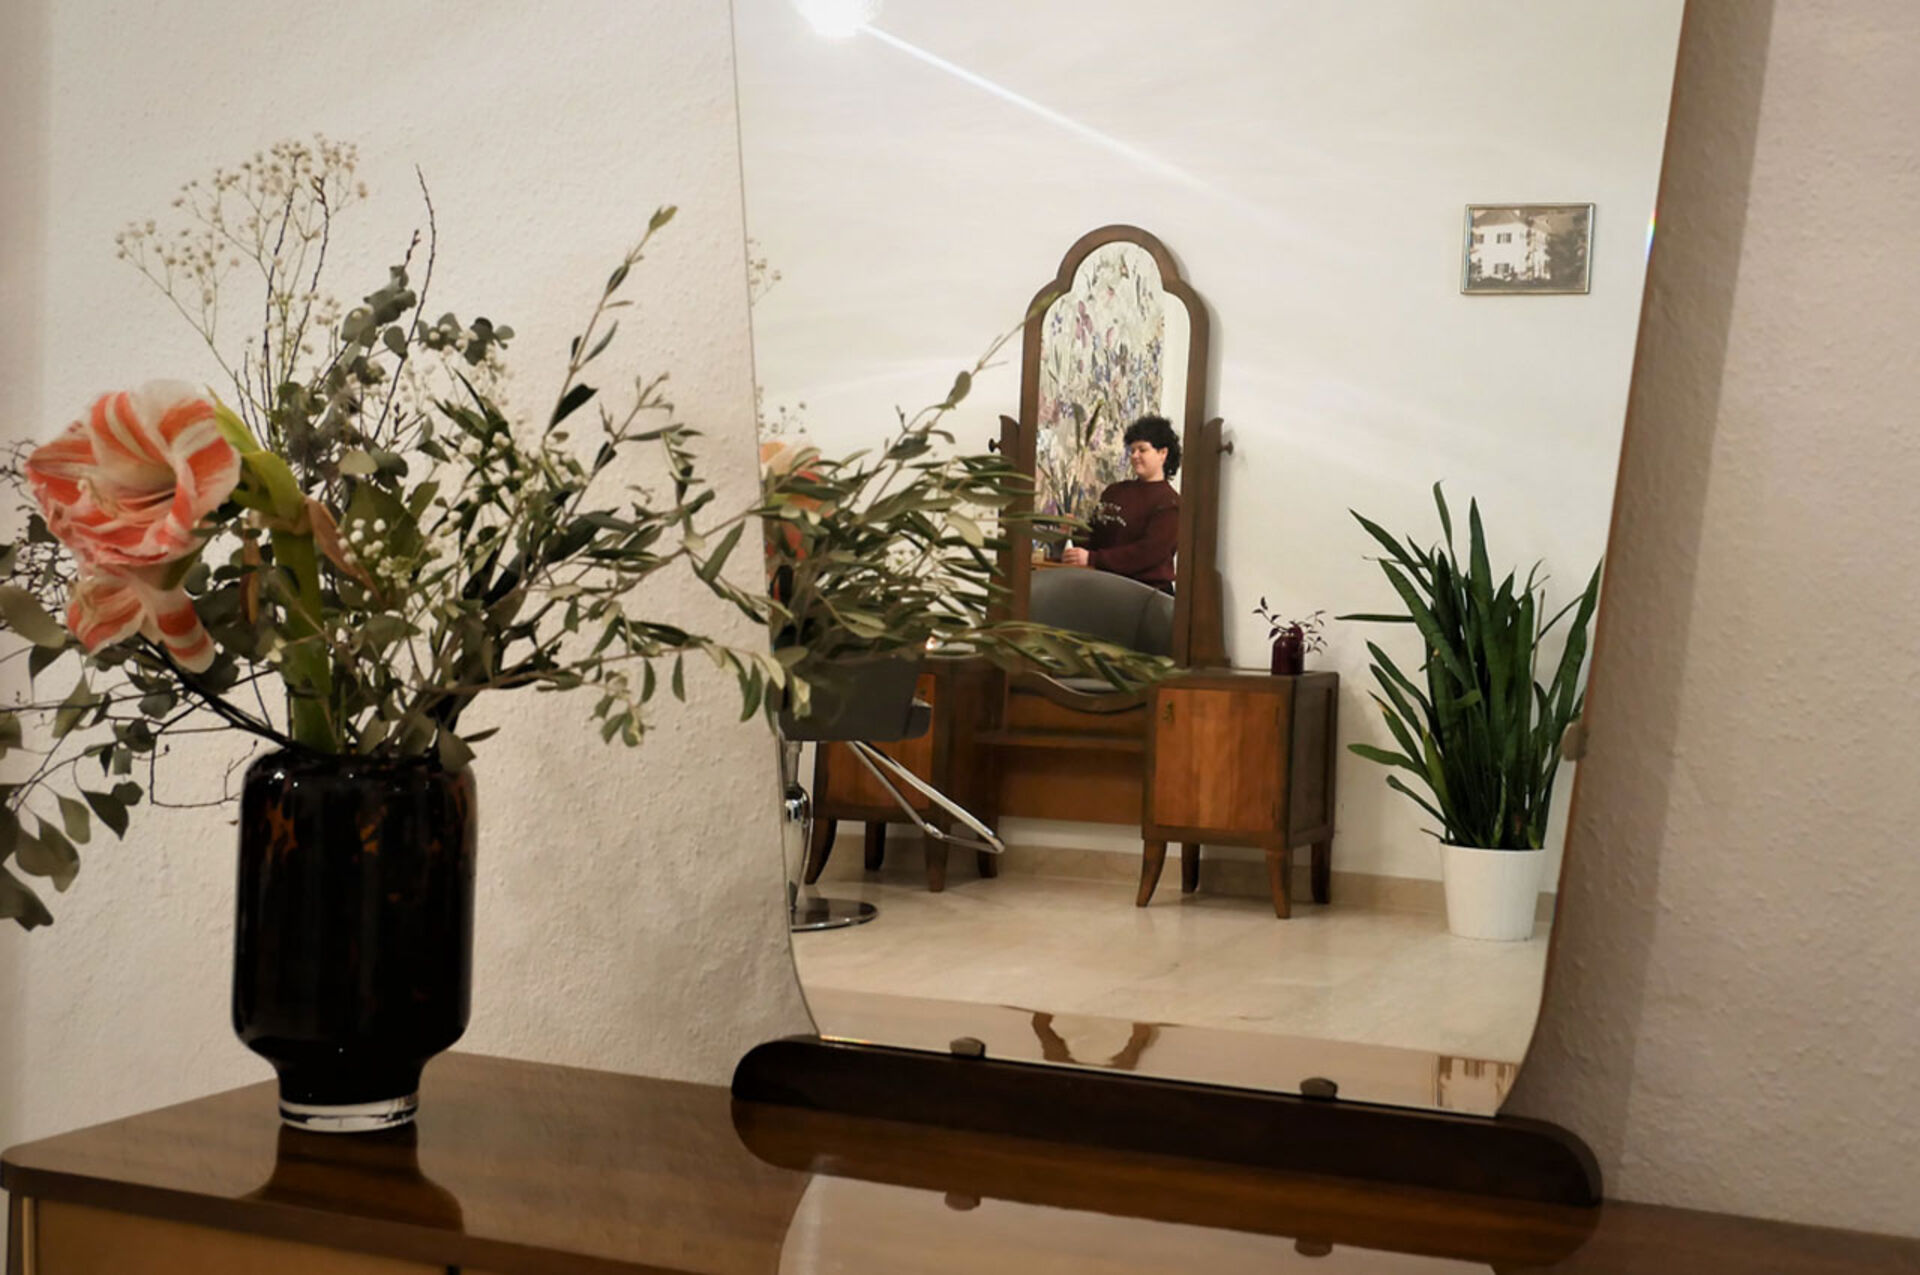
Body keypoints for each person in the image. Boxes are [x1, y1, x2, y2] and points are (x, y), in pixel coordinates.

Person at [1061, 415, 1180, 591]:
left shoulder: (1170, 502)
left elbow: (1149, 553)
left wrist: (1092, 559)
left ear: (1163, 453)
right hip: (1106, 587)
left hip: (1147, 595)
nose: (1135, 456)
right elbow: (1095, 538)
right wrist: (1073, 531)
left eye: (1142, 449)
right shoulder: (1114, 491)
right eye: (1132, 450)